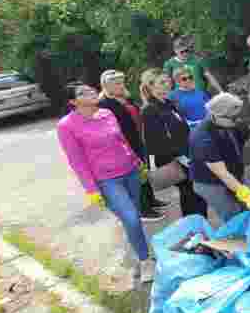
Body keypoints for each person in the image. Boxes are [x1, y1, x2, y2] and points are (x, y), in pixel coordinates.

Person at [57, 84, 155, 283]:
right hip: (107, 180)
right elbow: (76, 161)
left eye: (90, 90)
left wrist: (137, 162)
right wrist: (91, 190)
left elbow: (122, 140)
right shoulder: (67, 125)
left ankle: (138, 253)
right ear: (73, 102)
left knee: (133, 218)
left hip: (130, 172)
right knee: (131, 219)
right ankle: (145, 261)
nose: (91, 93)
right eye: (82, 93)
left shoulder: (107, 113)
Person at [97, 69, 167, 220]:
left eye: (122, 82)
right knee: (136, 175)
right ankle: (143, 209)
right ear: (106, 86)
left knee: (144, 171)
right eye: (116, 83)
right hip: (125, 143)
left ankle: (151, 200)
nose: (120, 86)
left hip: (139, 139)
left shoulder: (126, 98)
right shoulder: (104, 104)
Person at [140, 69, 208, 218]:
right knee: (191, 195)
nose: (167, 84)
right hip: (177, 160)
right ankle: (196, 230)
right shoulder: (150, 110)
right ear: (151, 87)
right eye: (162, 82)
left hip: (188, 155)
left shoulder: (169, 103)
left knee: (195, 194)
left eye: (167, 81)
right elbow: (155, 143)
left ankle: (199, 228)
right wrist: (181, 157)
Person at [189, 93, 250, 222]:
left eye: (237, 117)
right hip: (211, 183)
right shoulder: (202, 137)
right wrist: (245, 193)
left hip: (233, 174)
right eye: (233, 118)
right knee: (233, 215)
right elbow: (222, 173)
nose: (238, 121)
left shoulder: (233, 121)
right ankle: (237, 239)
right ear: (217, 115)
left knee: (248, 211)